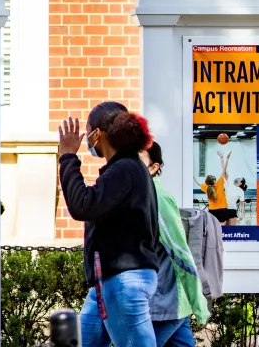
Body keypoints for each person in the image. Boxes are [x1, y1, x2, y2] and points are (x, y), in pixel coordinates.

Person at [57, 101, 165, 347]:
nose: (86, 139)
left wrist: (68, 157)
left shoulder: (125, 169)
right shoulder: (128, 169)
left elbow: (82, 205)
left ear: (99, 134)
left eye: (88, 131)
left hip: (123, 282)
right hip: (110, 281)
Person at [140, 142, 210, 347]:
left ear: (154, 167)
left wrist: (199, 305)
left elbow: (180, 253)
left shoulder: (156, 198)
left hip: (164, 305)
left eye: (139, 159)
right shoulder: (141, 194)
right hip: (170, 304)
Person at [193, 151, 237, 224]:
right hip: (222, 209)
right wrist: (226, 159)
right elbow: (224, 170)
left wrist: (193, 177)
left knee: (214, 228)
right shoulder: (219, 184)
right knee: (223, 228)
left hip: (212, 210)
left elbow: (198, 183)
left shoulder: (206, 187)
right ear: (214, 180)